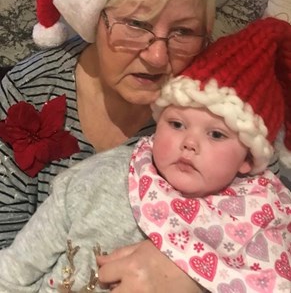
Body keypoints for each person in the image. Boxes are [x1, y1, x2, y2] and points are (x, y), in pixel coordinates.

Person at [0, 0, 222, 293]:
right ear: (95, 13)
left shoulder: (218, 104)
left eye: (184, 32)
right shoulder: (27, 93)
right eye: (135, 24)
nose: (157, 57)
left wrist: (191, 277)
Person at [0, 17, 290, 293]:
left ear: (248, 160)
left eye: (216, 134)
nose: (189, 143)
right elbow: (13, 271)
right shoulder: (98, 179)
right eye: (176, 124)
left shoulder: (262, 218)